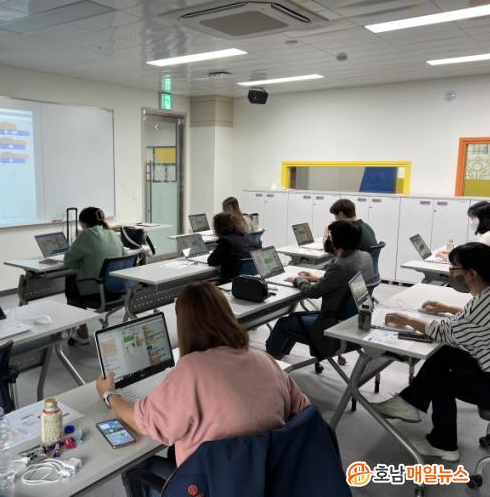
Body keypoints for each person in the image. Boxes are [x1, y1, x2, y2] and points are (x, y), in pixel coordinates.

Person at [95, 282, 310, 496]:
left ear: (184, 326)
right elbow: (304, 412)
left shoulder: (191, 371)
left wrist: (109, 395)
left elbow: (142, 422)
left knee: (136, 466)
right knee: (175, 449)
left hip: (211, 487)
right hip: (268, 480)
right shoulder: (266, 361)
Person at [371, 243, 490, 461]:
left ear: (472, 273)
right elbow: (475, 320)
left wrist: (408, 320)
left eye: (454, 268)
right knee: (445, 354)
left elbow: (447, 332)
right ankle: (409, 404)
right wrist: (446, 308)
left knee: (441, 380)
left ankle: (444, 445)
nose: (451, 273)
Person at [266, 221, 373, 358]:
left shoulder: (340, 265)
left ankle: (271, 359)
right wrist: (317, 278)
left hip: (333, 323)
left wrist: (298, 280)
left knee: (284, 323)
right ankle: (280, 354)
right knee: (293, 317)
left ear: (335, 242)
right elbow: (344, 281)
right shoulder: (366, 257)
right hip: (356, 319)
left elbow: (313, 292)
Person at [63, 207, 125, 343]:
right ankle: (81, 329)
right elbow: (123, 254)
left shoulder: (86, 235)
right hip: (119, 291)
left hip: (97, 293)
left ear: (83, 223)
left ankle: (83, 331)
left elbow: (68, 261)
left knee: (70, 282)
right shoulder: (112, 233)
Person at [436, 201, 490, 270]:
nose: (471, 221)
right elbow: (474, 254)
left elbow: (470, 262)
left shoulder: (489, 237)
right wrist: (454, 255)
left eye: (472, 218)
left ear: (483, 219)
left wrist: (447, 257)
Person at [206, 212, 253, 282]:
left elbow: (212, 261)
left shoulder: (226, 241)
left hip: (231, 281)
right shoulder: (246, 236)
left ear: (219, 227)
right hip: (250, 280)